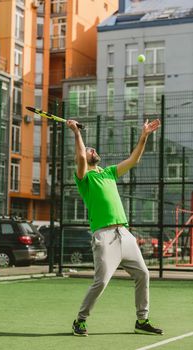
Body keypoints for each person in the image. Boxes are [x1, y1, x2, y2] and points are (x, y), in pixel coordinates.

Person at [66, 118, 163, 337]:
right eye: (90, 149)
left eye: (92, 149)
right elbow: (81, 156)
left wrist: (144, 136)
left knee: (143, 275)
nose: (92, 150)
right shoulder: (84, 178)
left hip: (124, 234)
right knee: (101, 282)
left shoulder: (108, 172)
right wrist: (76, 132)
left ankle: (142, 320)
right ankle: (80, 321)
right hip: (105, 236)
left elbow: (133, 160)